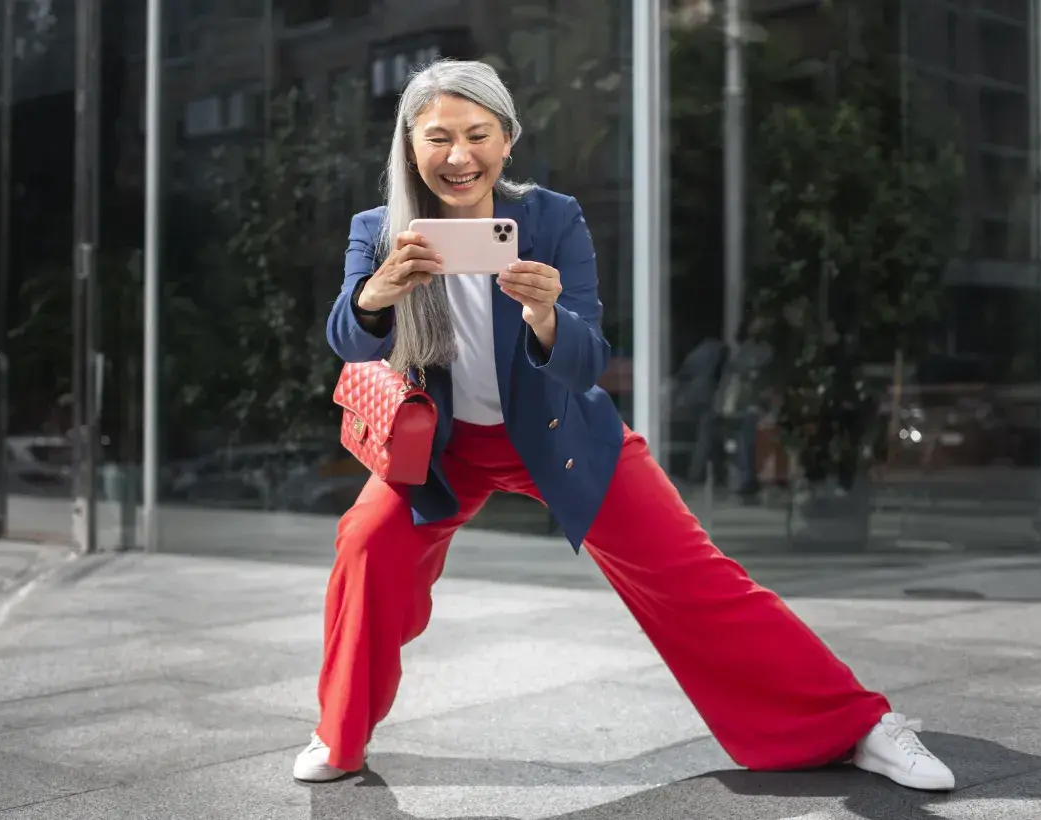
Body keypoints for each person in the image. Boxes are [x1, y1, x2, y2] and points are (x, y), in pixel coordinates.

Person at [294, 58, 956, 793]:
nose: (459, 156)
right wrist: (377, 293)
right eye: (438, 137)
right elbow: (348, 343)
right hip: (444, 450)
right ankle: (340, 735)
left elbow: (586, 362)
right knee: (365, 542)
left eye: (478, 134)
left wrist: (545, 316)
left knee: (696, 576)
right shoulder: (379, 229)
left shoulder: (552, 219)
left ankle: (858, 725)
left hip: (562, 433)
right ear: (409, 145)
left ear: (507, 139)